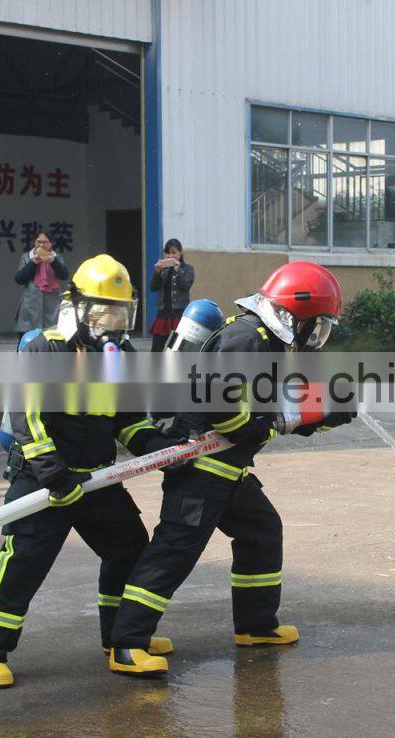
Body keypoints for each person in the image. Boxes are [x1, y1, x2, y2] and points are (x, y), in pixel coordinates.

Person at [108, 261, 355, 676]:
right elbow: (223, 406)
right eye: (318, 325)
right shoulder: (248, 338)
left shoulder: (266, 339)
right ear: (297, 314)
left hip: (228, 470)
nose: (316, 335)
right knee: (175, 551)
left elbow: (268, 405)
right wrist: (268, 425)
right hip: (202, 468)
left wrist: (319, 413)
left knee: (261, 530)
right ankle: (127, 644)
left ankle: (256, 626)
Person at [0, 254, 178, 689]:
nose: (113, 322)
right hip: (43, 481)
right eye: (104, 310)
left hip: (96, 480)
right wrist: (55, 475)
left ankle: (119, 636)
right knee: (23, 563)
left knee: (130, 551)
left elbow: (129, 420)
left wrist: (157, 446)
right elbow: (28, 418)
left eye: (120, 312)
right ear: (77, 307)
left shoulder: (118, 354)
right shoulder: (43, 347)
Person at [14, 231, 69, 340]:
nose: (42, 245)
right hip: (30, 306)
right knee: (27, 340)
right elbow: (19, 279)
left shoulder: (56, 257)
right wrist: (33, 263)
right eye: (39, 241)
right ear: (34, 242)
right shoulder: (27, 257)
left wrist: (53, 262)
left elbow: (64, 275)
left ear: (50, 243)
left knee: (51, 339)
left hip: (52, 306)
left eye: (45, 242)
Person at [149, 238, 195, 352]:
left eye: (174, 252)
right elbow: (153, 287)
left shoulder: (188, 269)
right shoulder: (163, 269)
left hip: (179, 314)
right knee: (156, 348)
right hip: (163, 314)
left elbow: (185, 285)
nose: (171, 255)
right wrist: (157, 272)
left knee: (178, 349)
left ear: (180, 253)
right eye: (168, 253)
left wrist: (177, 270)